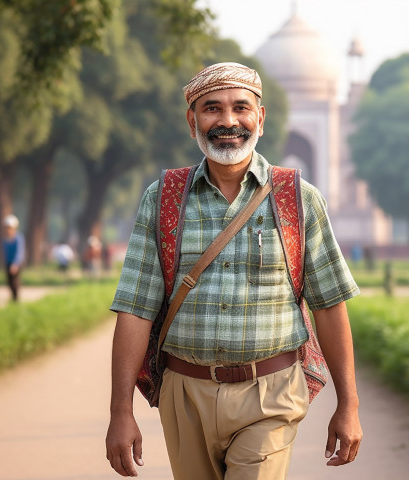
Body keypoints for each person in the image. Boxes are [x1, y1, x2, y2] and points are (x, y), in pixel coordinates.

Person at [106, 62, 363, 480]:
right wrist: (120, 412)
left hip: (272, 391)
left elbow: (329, 304)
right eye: (212, 109)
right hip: (184, 391)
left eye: (241, 108)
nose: (228, 121)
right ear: (193, 121)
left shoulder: (297, 199)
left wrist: (348, 405)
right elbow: (135, 308)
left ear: (260, 119)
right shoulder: (165, 198)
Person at [2, 214, 25, 302]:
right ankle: (13, 298)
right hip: (8, 263)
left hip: (16, 263)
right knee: (9, 281)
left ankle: (16, 299)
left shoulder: (18, 238)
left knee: (15, 281)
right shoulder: (5, 240)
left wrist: (15, 263)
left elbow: (19, 252)